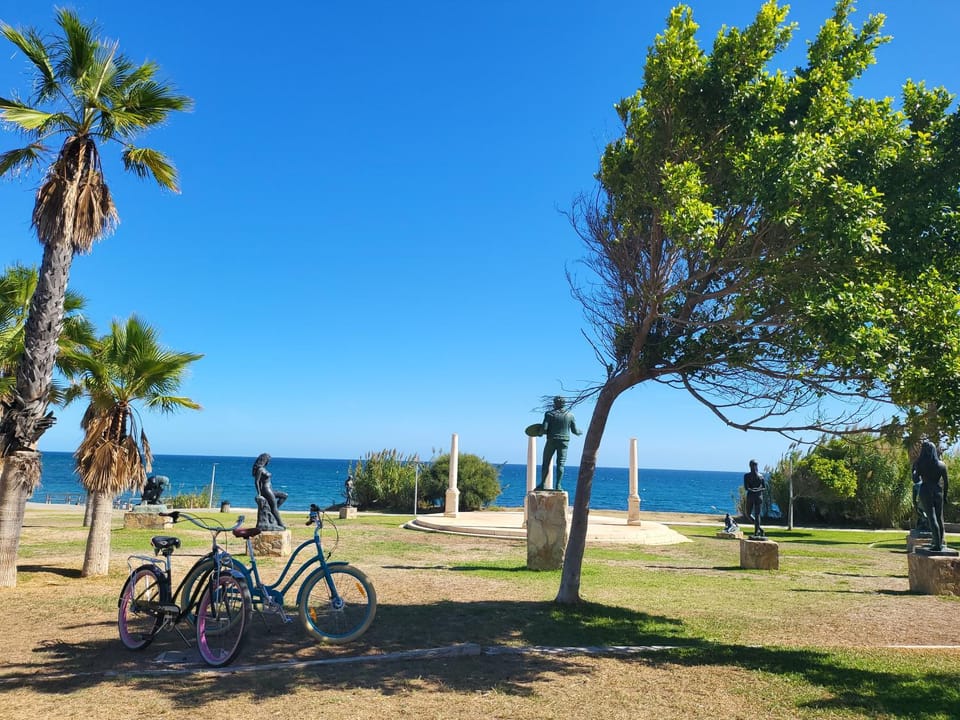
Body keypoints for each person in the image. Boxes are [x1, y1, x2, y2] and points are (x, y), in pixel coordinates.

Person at [536, 396, 582, 491]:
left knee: (546, 462)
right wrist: (580, 432)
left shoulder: (549, 414)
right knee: (561, 464)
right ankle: (558, 485)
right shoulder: (570, 415)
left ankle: (543, 484)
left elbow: (544, 429)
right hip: (564, 441)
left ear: (555, 403)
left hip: (552, 440)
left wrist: (539, 433)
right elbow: (575, 431)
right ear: (564, 403)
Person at [912, 440, 949, 552]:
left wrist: (913, 471)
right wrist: (945, 496)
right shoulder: (941, 465)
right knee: (939, 518)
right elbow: (946, 482)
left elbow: (916, 479)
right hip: (938, 491)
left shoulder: (919, 463)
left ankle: (936, 544)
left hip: (926, 490)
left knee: (931, 518)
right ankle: (939, 542)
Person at [252, 453, 287, 530]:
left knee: (284, 495)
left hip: (270, 489)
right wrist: (259, 494)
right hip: (266, 490)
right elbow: (257, 482)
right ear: (264, 460)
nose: (269, 462)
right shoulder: (260, 469)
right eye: (268, 460)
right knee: (274, 507)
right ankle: (280, 523)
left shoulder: (264, 469)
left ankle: (272, 512)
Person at [743, 459, 766, 537]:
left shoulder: (760, 476)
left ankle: (757, 532)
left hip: (754, 496)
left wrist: (754, 490)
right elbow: (747, 488)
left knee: (754, 514)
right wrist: (756, 490)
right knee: (752, 514)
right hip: (756, 496)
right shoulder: (748, 476)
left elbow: (763, 487)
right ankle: (759, 529)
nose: (754, 467)